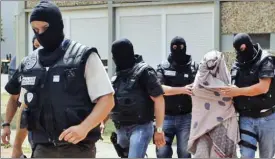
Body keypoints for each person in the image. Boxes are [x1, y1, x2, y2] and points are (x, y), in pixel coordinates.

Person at [3, 1, 115, 158]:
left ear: (57, 25)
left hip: (78, 149)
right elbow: (26, 108)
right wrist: (16, 147)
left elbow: (107, 100)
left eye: (45, 28)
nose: (40, 34)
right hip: (41, 149)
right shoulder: (30, 64)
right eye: (35, 30)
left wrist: (84, 128)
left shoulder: (83, 57)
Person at [220, 33, 275, 158]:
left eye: (243, 48)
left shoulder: (266, 59)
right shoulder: (237, 64)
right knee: (246, 155)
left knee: (267, 155)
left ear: (249, 44)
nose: (242, 51)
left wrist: (238, 91)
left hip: (268, 117)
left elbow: (263, 88)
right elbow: (232, 89)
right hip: (246, 118)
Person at [107, 38, 166, 158]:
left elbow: (159, 99)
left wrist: (159, 130)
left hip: (141, 126)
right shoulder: (117, 76)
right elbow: (109, 102)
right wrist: (101, 122)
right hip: (120, 128)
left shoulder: (145, 72)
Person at [187, 50, 239, 158]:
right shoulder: (199, 82)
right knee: (202, 153)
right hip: (202, 125)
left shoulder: (226, 81)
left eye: (214, 65)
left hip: (222, 124)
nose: (212, 68)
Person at [155, 36, 198, 158]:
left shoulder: (193, 67)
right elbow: (159, 89)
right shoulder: (163, 67)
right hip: (165, 117)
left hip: (186, 117)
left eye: (180, 47)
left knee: (184, 153)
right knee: (162, 153)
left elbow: (198, 88)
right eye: (174, 47)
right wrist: (183, 90)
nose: (177, 49)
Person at [1, 36, 41, 157]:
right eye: (36, 46)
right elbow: (15, 100)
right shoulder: (27, 68)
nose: (38, 50)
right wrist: (6, 124)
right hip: (36, 135)